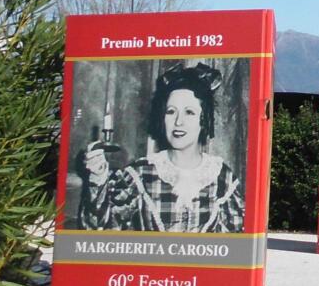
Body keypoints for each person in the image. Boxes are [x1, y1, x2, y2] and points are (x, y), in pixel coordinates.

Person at [80, 64, 243, 233]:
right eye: (171, 111)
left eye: (189, 112)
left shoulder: (223, 178)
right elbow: (98, 229)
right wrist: (97, 177)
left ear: (204, 120)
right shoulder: (141, 174)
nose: (178, 122)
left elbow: (237, 241)